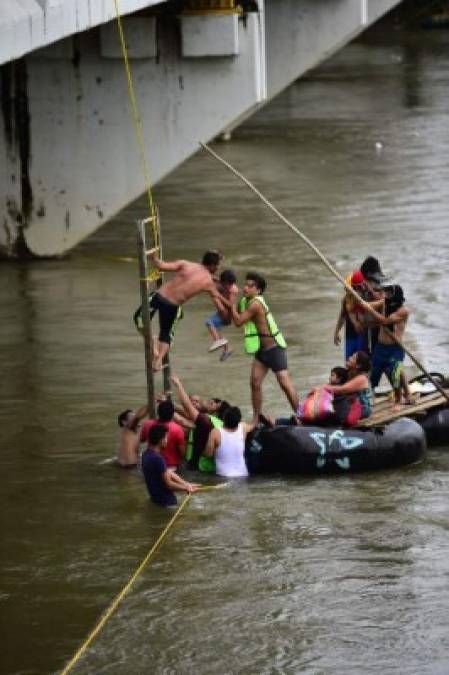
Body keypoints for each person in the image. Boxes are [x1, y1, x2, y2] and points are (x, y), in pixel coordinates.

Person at [229, 272, 299, 424]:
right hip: (261, 351)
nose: (245, 288)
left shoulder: (255, 303)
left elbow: (238, 321)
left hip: (273, 347)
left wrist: (231, 302)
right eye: (245, 285)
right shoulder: (245, 301)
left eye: (250, 286)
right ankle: (256, 419)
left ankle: (301, 415)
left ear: (258, 290)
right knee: (255, 383)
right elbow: (232, 316)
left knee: (284, 383)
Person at [144, 249, 228, 371]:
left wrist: (154, 257)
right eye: (218, 265)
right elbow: (218, 301)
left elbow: (160, 265)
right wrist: (228, 310)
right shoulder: (208, 282)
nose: (219, 268)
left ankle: (154, 349)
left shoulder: (185, 264)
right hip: (171, 305)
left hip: (159, 296)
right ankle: (158, 360)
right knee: (165, 334)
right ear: (212, 265)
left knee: (141, 320)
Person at [170, 373, 230, 472]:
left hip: (197, 468)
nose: (212, 402)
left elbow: (186, 405)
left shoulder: (205, 421)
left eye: (216, 405)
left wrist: (178, 384)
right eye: (215, 401)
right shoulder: (220, 424)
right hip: (209, 468)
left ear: (215, 413)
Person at [367, 284, 413, 411]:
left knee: (395, 374)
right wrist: (362, 304)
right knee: (374, 373)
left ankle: (399, 400)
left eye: (388, 294)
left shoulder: (403, 311)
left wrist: (369, 309)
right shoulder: (384, 302)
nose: (386, 296)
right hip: (380, 348)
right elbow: (370, 305)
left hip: (395, 349)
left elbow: (385, 321)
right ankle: (369, 397)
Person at [334, 256, 386, 358]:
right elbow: (343, 315)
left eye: (360, 286)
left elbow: (383, 304)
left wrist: (371, 292)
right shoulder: (347, 298)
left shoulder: (372, 291)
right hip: (353, 335)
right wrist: (336, 332)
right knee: (351, 361)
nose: (359, 288)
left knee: (368, 360)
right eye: (355, 287)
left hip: (368, 332)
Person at [141, 425, 201, 507]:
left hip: (155, 500)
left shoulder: (145, 454)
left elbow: (167, 472)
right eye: (166, 438)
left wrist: (186, 484)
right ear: (161, 440)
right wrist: (185, 488)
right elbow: (169, 484)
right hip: (168, 503)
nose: (167, 441)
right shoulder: (158, 459)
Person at [322, 351, 373, 426]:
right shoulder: (349, 373)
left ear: (358, 365)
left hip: (363, 408)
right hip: (349, 403)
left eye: (353, 357)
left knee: (337, 406)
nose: (349, 358)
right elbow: (334, 384)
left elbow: (342, 389)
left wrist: (323, 388)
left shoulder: (362, 378)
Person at [204, 406, 255, 477]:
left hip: (224, 476)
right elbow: (253, 424)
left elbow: (208, 454)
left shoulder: (215, 432)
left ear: (224, 418)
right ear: (239, 421)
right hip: (243, 474)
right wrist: (257, 413)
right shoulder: (243, 427)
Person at [140, 399, 186, 470]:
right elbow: (182, 453)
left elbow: (142, 440)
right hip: (170, 466)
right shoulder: (177, 429)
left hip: (150, 463)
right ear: (172, 414)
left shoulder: (147, 424)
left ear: (158, 412)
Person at [205, 268, 239, 361]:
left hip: (228, 314)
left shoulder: (233, 290)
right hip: (222, 312)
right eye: (227, 284)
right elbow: (215, 279)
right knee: (215, 328)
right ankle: (227, 349)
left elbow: (230, 305)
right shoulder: (221, 282)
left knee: (209, 322)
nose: (228, 286)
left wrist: (218, 296)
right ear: (223, 282)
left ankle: (217, 341)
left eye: (230, 284)